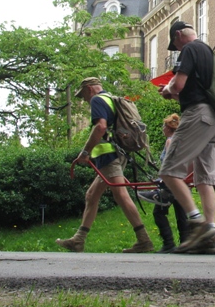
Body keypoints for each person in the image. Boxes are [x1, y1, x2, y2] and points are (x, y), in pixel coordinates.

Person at [56, 77, 154, 253]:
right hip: (113, 153)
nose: (84, 99)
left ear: (89, 89)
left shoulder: (97, 100)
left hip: (108, 154)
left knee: (120, 194)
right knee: (91, 195)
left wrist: (85, 152)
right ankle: (78, 240)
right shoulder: (110, 98)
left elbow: (101, 128)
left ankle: (144, 239)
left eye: (83, 94)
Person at [158, 21, 215, 254]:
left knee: (168, 169)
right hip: (214, 118)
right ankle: (211, 235)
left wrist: (168, 89)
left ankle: (196, 223)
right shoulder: (208, 52)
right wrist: (174, 96)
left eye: (174, 45)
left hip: (198, 116)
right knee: (205, 179)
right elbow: (192, 93)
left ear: (178, 35)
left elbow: (179, 84)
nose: (175, 49)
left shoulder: (189, 49)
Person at [137, 114, 189, 253]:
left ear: (168, 128)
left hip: (171, 183)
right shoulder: (180, 141)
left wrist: (162, 179)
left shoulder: (170, 141)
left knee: (158, 212)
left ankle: (169, 243)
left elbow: (169, 163)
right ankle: (185, 243)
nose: (162, 129)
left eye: (163, 126)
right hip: (182, 181)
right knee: (181, 213)